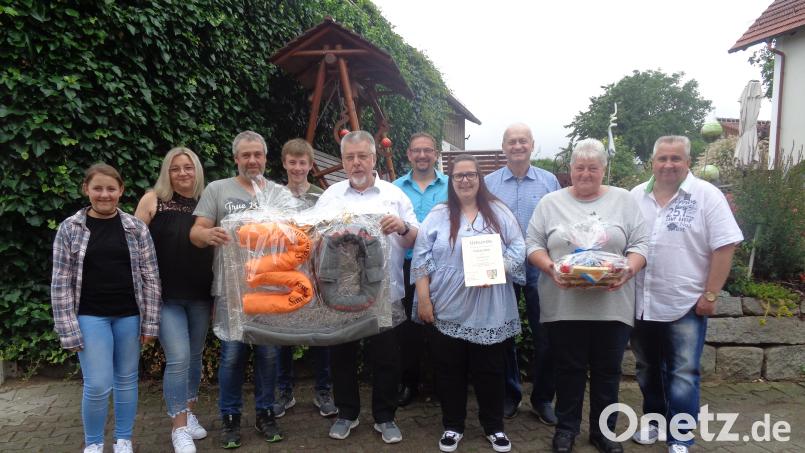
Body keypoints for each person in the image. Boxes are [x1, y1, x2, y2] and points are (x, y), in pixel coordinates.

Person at [525, 139, 649, 453]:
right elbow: (533, 246)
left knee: (608, 372)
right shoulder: (551, 202)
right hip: (564, 304)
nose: (585, 173)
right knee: (568, 371)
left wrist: (627, 270)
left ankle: (603, 431)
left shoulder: (624, 200)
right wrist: (552, 268)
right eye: (579, 167)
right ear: (570, 171)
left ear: (603, 170)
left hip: (612, 303)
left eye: (593, 168)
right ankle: (566, 430)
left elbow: (641, 245)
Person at [629, 136, 743, 453]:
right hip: (642, 302)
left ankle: (680, 435)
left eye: (675, 159)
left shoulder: (707, 196)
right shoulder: (636, 196)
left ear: (687, 162)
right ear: (652, 162)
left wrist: (710, 294)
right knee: (647, 368)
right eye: (662, 159)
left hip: (686, 303)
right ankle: (653, 421)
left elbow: (725, 246)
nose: (668, 165)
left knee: (683, 372)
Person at [413, 154, 525, 453]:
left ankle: (494, 427)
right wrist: (423, 299)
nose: (465, 180)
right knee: (449, 370)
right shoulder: (438, 214)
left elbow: (519, 246)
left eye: (470, 175)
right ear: (451, 181)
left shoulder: (498, 212)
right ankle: (452, 426)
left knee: (491, 370)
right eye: (458, 175)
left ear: (479, 178)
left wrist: (497, 267)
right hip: (446, 306)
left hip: (490, 307)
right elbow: (422, 258)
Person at [316, 130, 419, 444]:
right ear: (343, 161)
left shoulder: (394, 194)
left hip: (385, 293)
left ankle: (385, 417)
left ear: (374, 158)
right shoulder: (330, 195)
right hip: (341, 296)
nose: (357, 163)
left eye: (363, 156)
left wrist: (401, 226)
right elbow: (312, 241)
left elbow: (416, 236)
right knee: (342, 356)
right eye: (350, 157)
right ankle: (347, 414)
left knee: (386, 358)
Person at [51, 163, 161, 453]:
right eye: (97, 188)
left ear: (121, 191)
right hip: (90, 316)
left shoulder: (136, 228)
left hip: (129, 315)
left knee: (126, 380)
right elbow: (60, 283)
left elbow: (150, 277)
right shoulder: (70, 229)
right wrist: (68, 331)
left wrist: (150, 323)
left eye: (111, 188)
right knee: (98, 384)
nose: (104, 194)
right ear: (86, 189)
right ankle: (94, 443)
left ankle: (123, 439)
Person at [189, 131, 282, 448]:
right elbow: (196, 232)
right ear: (236, 159)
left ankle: (266, 412)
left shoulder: (278, 193)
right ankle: (229, 417)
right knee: (231, 356)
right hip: (230, 291)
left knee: (269, 355)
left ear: (265, 159)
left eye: (258, 154)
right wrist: (209, 234)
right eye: (246, 155)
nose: (252, 160)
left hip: (270, 289)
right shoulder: (217, 190)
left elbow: (296, 234)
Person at [134, 148, 213, 453]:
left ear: (197, 171)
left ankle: (189, 412)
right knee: (178, 357)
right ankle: (178, 427)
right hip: (165, 297)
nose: (183, 173)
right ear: (167, 172)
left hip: (201, 295)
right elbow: (134, 247)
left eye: (188, 168)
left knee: (194, 357)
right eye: (176, 168)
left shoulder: (208, 203)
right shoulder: (153, 200)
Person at [485, 123, 561, 422]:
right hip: (501, 265)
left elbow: (560, 222)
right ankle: (510, 394)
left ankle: (543, 399)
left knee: (546, 335)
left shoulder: (548, 181)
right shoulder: (489, 183)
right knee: (503, 334)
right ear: (503, 147)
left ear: (532, 145)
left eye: (523, 141)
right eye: (512, 142)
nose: (517, 146)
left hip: (540, 266)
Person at [273, 138, 337, 418]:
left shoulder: (321, 197)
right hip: (284, 275)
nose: (297, 168)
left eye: (303, 163)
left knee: (320, 335)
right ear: (284, 163)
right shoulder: (273, 197)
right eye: (292, 162)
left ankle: (323, 391)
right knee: (283, 336)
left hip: (313, 273)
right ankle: (284, 392)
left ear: (311, 166)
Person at [392, 132, 449, 407]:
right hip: (406, 264)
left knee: (443, 325)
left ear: (435, 153)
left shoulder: (451, 185)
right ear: (409, 154)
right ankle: (409, 383)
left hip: (443, 268)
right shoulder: (394, 188)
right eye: (417, 150)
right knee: (407, 330)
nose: (423, 155)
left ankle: (442, 383)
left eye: (428, 150)